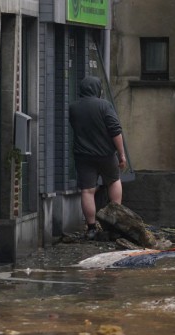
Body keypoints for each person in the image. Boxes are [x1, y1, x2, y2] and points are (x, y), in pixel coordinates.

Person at [68, 76, 127, 239]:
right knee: (114, 181)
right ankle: (115, 224)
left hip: (83, 155)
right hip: (106, 154)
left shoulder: (73, 107)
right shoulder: (104, 105)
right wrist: (121, 154)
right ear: (97, 89)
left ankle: (91, 228)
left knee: (87, 190)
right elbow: (115, 131)